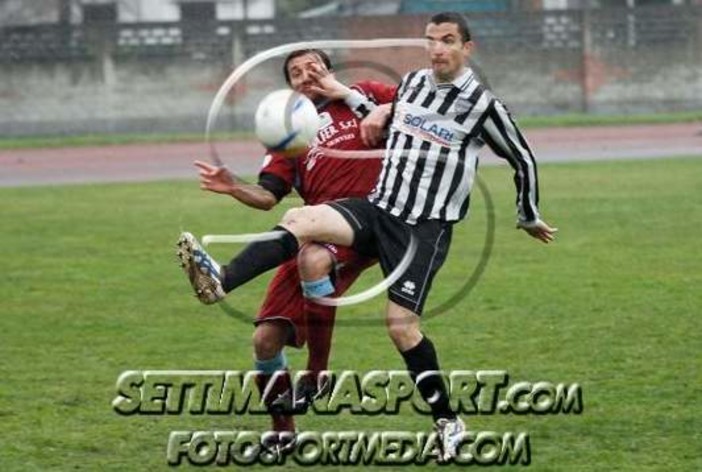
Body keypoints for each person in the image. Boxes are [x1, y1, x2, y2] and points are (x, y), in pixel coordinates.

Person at [178, 12, 557, 462]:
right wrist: (374, 110)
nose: (437, 48)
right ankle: (221, 279)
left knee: (400, 326)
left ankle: (447, 421)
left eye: (448, 41)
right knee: (301, 221)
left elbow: (522, 158)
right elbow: (393, 111)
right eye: (431, 40)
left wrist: (528, 215)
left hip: (423, 227)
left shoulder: (483, 106)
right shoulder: (412, 84)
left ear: (466, 48)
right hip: (378, 208)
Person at [177, 49, 396, 447]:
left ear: (329, 69)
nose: (305, 74)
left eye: (313, 66)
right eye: (295, 72)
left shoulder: (365, 92)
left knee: (313, 257)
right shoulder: (290, 129)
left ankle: (316, 371)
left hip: (372, 220)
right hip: (317, 227)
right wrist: (234, 186)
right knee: (265, 341)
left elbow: (419, 109)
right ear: (290, 86)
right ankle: (283, 432)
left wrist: (353, 97)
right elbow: (268, 196)